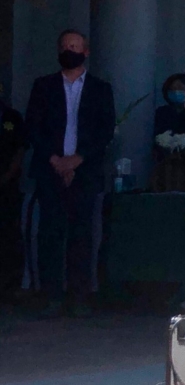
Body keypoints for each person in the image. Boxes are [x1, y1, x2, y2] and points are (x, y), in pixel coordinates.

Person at [24, 29, 115, 317]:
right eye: (64, 46)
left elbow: (104, 131)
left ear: (85, 51)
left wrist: (77, 160)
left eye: (74, 46)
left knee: (82, 234)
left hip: (84, 172)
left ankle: (79, 296)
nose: (69, 50)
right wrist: (55, 160)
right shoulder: (43, 86)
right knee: (50, 232)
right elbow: (33, 127)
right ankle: (50, 295)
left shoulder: (101, 89)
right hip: (49, 170)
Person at [151, 72, 185, 192]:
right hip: (167, 162)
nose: (176, 92)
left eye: (180, 89)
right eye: (172, 89)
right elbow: (160, 136)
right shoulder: (163, 112)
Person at [0, 86, 28, 303]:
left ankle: (9, 284)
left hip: (7, 187)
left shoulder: (12, 117)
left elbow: (20, 149)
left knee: (8, 233)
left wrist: (7, 176)